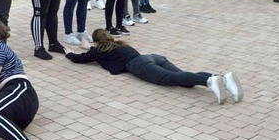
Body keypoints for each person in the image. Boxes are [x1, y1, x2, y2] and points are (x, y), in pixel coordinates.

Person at [65, 29, 243, 104]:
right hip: (153, 57)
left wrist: (68, 52)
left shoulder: (99, 50)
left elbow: (80, 59)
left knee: (171, 79)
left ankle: (209, 80)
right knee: (184, 78)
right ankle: (222, 78)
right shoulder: (119, 43)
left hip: (139, 65)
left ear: (96, 42)